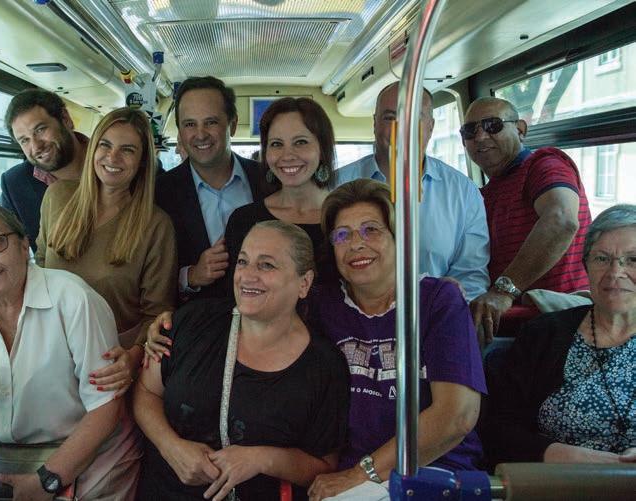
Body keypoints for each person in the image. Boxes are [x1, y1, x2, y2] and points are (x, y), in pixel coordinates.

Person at [0, 204, 139, 500]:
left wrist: (48, 480)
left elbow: (106, 407)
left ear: (24, 246)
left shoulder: (73, 299)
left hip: (88, 456)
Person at [134, 220, 350, 501]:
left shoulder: (324, 366)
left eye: (266, 265)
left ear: (304, 283)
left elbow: (323, 467)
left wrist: (261, 459)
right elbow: (146, 392)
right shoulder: (192, 322)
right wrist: (170, 446)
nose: (248, 275)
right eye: (243, 262)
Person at [306, 179, 485, 500]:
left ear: (400, 238)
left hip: (432, 472)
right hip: (349, 479)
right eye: (342, 235)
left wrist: (362, 474)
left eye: (371, 230)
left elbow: (457, 415)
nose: (356, 244)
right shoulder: (323, 306)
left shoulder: (437, 300)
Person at [482, 204, 636, 466]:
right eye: (602, 259)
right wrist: (558, 454)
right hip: (557, 479)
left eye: (632, 260)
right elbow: (497, 430)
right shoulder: (543, 334)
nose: (615, 272)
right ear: (586, 266)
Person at [36, 107, 176, 372]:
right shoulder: (56, 197)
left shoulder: (156, 225)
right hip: (49, 349)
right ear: (93, 149)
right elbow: (39, 269)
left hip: (111, 358)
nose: (113, 157)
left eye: (127, 150)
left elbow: (157, 314)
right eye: (105, 145)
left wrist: (132, 357)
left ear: (142, 162)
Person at [333, 82, 489, 301]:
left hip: (435, 315)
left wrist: (445, 306)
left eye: (414, 118)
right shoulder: (336, 186)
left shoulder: (463, 193)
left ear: (431, 126)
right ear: (375, 124)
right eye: (390, 118)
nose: (402, 128)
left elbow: (470, 274)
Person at [463, 96, 591, 343]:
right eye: (470, 131)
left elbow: (561, 220)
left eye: (492, 125)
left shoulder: (543, 165)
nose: (480, 137)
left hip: (561, 324)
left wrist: (503, 291)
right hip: (516, 328)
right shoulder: (482, 196)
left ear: (520, 130)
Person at [156, 76, 273, 299]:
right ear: (180, 132)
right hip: (200, 314)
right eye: (190, 124)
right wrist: (190, 276)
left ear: (233, 125)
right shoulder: (160, 193)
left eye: (211, 122)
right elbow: (149, 275)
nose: (200, 134)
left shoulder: (268, 181)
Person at [221, 97, 337, 297]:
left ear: (322, 148)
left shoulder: (343, 217)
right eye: (276, 144)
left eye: (300, 142)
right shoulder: (244, 220)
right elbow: (235, 296)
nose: (287, 155)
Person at [0, 88, 88, 253]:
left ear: (66, 119)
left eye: (40, 130)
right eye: (24, 140)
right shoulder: (15, 183)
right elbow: (7, 248)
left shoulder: (112, 163)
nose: (36, 146)